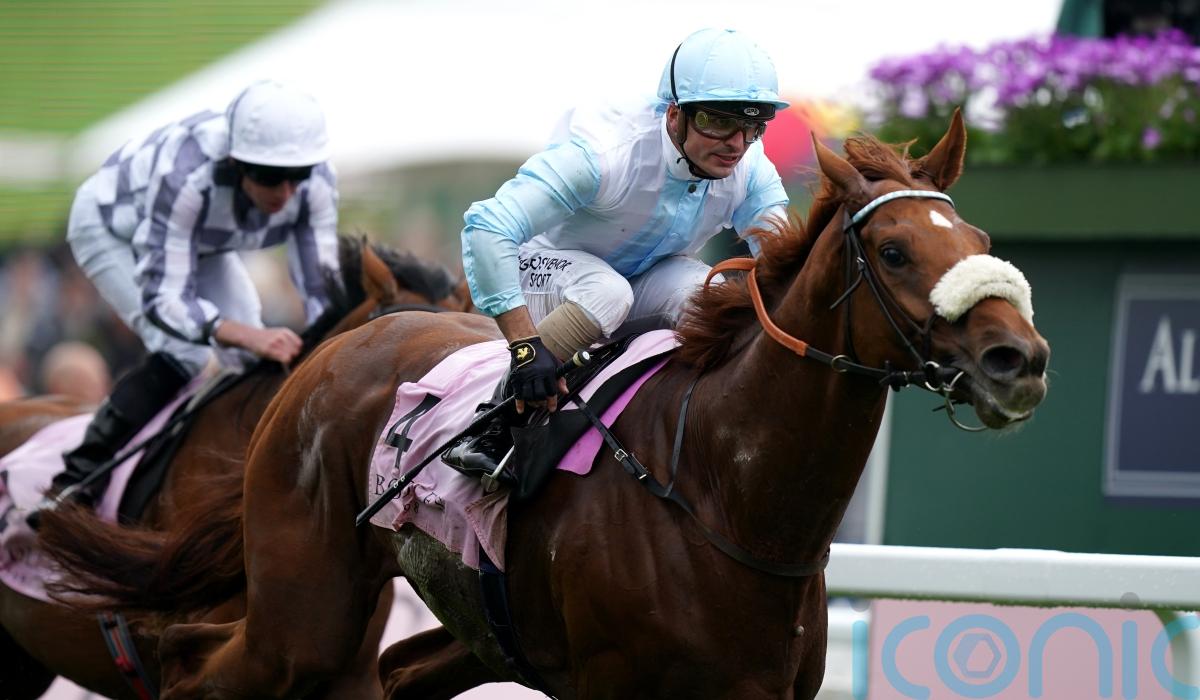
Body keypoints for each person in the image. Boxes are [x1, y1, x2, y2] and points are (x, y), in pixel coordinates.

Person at [445, 28, 790, 475]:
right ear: (674, 115)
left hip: (638, 279)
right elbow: (487, 227)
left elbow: (784, 268)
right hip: (543, 273)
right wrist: (526, 347)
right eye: (718, 122)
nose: (737, 144)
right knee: (606, 292)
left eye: (753, 126)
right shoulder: (605, 154)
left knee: (714, 297)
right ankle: (495, 421)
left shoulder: (752, 170)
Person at [35, 79, 340, 516]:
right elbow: (165, 301)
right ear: (235, 162)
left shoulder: (319, 183)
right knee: (185, 351)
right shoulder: (186, 177)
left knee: (247, 358)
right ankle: (74, 482)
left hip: (201, 239)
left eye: (299, 175)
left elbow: (322, 292)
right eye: (271, 177)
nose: (286, 193)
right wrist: (248, 334)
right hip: (111, 228)